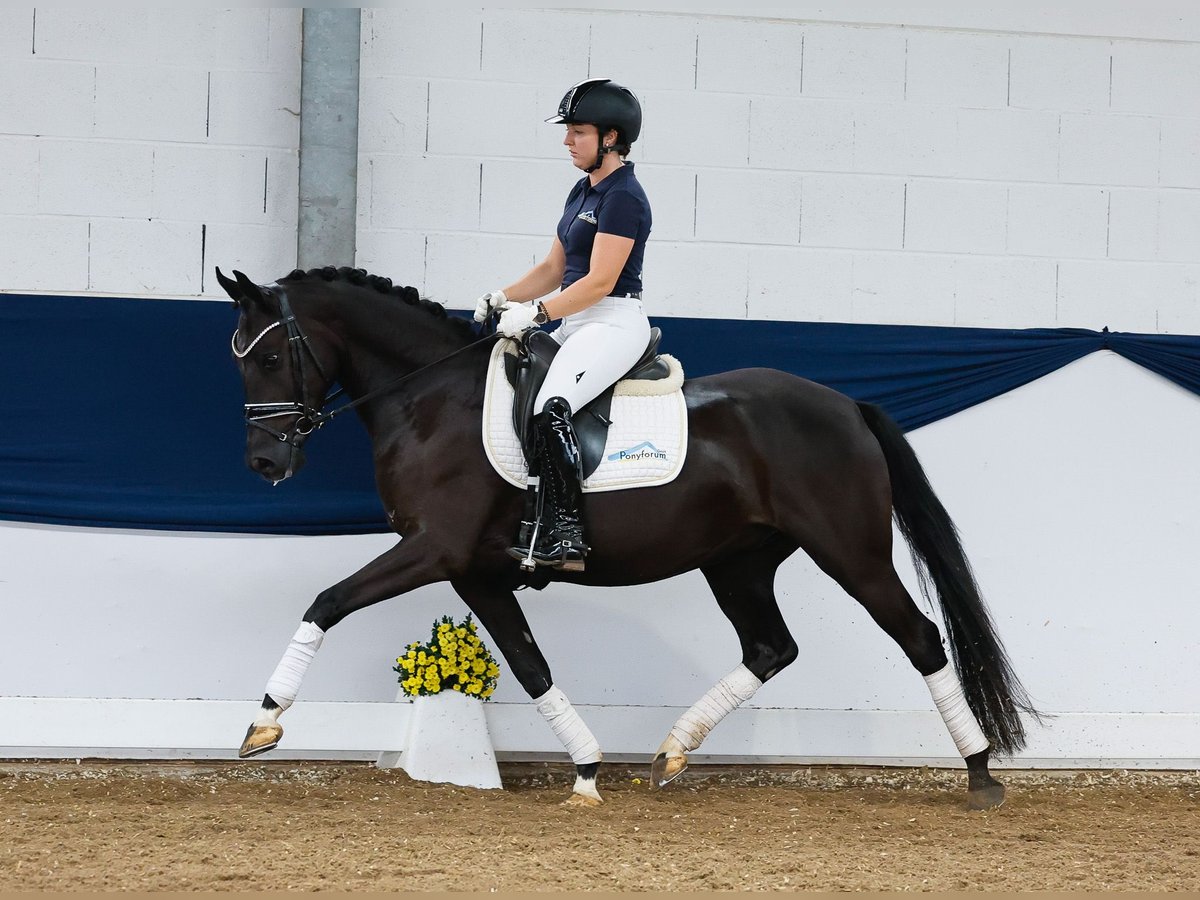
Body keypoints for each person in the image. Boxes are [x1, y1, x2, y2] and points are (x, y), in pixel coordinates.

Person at [474, 77, 652, 573]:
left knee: (553, 406)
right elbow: (555, 270)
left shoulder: (624, 197)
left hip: (613, 321)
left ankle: (567, 533)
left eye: (578, 130)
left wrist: (538, 313)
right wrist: (506, 295)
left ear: (611, 138)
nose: (567, 140)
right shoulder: (582, 190)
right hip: (575, 320)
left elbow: (598, 282)